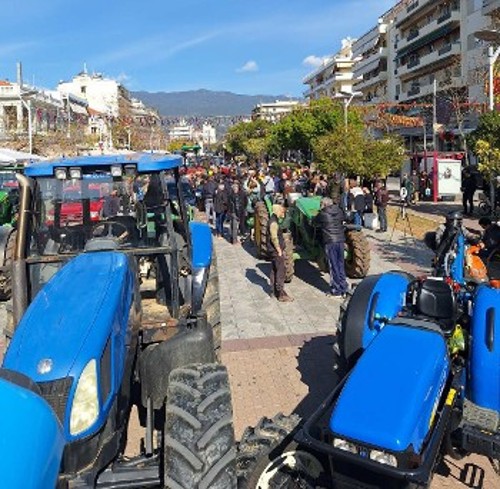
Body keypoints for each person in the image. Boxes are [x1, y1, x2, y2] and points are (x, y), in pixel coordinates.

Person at [314, 197, 348, 297]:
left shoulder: (323, 214)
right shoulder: (339, 211)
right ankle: (344, 287)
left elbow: (314, 222)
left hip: (330, 241)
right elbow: (344, 218)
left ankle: (336, 289)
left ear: (323, 204)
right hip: (340, 240)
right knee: (340, 264)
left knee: (333, 266)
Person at [267, 203, 293, 302]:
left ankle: (273, 291)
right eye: (281, 211)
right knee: (281, 271)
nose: (283, 212)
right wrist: (279, 250)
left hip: (273, 250)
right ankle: (281, 294)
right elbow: (274, 238)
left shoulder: (274, 220)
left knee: (274, 270)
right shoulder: (273, 223)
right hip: (276, 251)